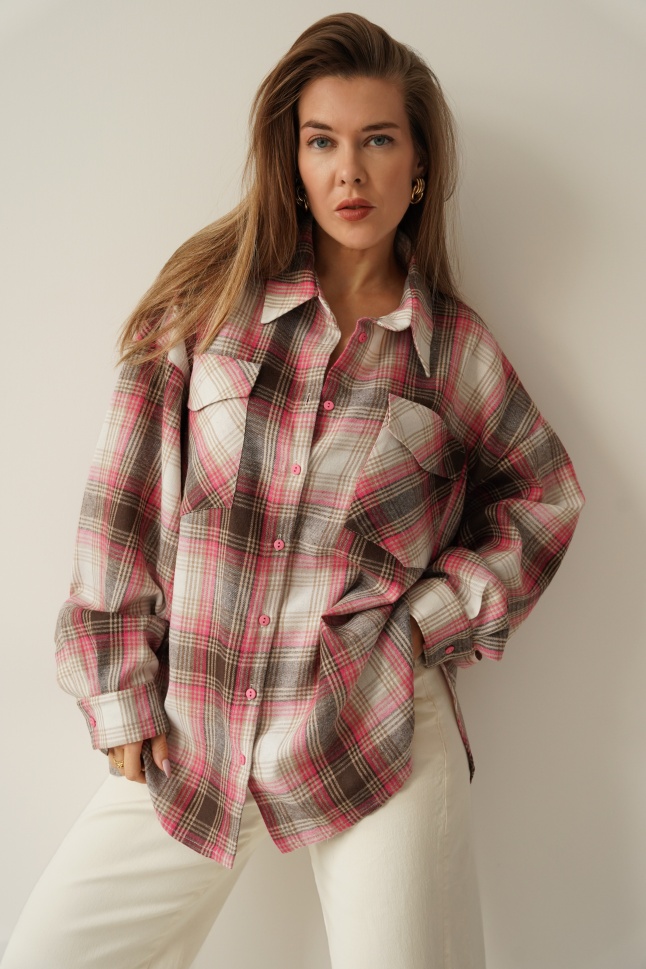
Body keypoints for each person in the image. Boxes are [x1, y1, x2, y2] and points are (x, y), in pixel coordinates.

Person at [1, 12, 585, 969]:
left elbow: (545, 495)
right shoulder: (207, 304)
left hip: (373, 732)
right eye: (323, 142)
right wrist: (118, 692)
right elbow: (123, 503)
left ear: (419, 167)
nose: (350, 172)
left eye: (378, 141)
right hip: (192, 730)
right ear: (293, 160)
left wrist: (424, 624)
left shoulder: (451, 351)